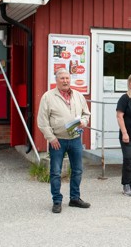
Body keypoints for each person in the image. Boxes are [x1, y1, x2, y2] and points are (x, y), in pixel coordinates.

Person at [37, 68, 91, 214]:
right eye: (62, 78)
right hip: (57, 141)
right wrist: (51, 138)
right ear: (56, 80)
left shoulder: (78, 95)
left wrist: (84, 121)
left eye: (67, 78)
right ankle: (57, 201)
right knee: (55, 172)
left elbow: (86, 113)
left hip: (75, 139)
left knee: (78, 170)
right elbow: (42, 121)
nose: (65, 81)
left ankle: (75, 198)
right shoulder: (48, 97)